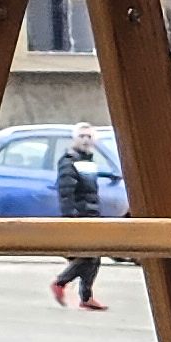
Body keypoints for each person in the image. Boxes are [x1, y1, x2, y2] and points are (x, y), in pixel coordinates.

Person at [50, 123, 106, 308]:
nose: (85, 140)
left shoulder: (89, 161)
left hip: (91, 215)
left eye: (89, 136)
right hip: (79, 217)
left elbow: (91, 192)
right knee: (89, 256)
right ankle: (61, 283)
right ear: (74, 139)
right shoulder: (68, 161)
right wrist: (71, 219)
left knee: (94, 257)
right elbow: (66, 193)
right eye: (81, 136)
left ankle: (86, 297)